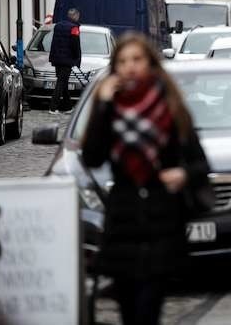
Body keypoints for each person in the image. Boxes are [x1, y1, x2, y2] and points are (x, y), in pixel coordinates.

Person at [81, 32, 212, 325]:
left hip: (162, 223)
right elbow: (92, 157)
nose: (130, 67)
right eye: (123, 61)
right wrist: (101, 104)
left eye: (137, 59)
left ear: (150, 63)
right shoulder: (110, 110)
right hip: (123, 224)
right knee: (128, 312)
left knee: (148, 312)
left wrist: (183, 174)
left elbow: (201, 164)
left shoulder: (170, 107)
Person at [49, 8, 82, 114]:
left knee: (63, 82)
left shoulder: (58, 26)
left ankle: (68, 107)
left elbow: (55, 42)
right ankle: (53, 107)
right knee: (61, 82)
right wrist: (77, 59)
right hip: (67, 59)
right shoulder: (74, 28)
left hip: (57, 58)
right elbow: (75, 44)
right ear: (76, 16)